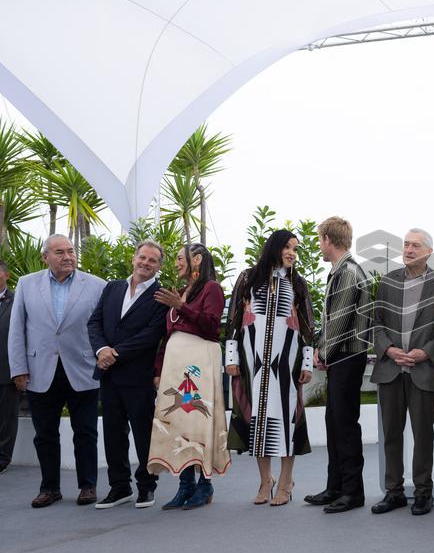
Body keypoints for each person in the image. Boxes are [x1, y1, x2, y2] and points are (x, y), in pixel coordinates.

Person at [8, 234, 106, 508]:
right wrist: (18, 369)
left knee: (85, 431)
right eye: (60, 252)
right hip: (40, 370)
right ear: (45, 257)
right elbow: (17, 330)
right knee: (45, 434)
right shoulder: (27, 285)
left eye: (71, 251)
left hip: (83, 368)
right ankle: (49, 488)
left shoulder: (97, 285)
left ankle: (88, 485)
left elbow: (105, 327)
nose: (67, 257)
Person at [226, 230, 314, 506]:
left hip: (287, 363)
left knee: (287, 419)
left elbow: (308, 325)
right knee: (257, 420)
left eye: (295, 249)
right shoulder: (248, 278)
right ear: (274, 247)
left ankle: (286, 481)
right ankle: (266, 480)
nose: (292, 253)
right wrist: (231, 357)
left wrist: (307, 361)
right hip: (252, 363)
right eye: (287, 247)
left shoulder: (296, 282)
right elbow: (233, 318)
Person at [370, 228, 434, 516]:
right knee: (391, 434)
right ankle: (393, 492)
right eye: (406, 244)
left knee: (422, 434)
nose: (408, 249)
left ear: (429, 251)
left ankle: (422, 492)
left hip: (423, 369)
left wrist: (427, 352)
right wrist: (389, 350)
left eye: (415, 245)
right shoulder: (388, 281)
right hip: (391, 369)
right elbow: (376, 322)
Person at [148, 243, 231, 509]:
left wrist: (180, 307)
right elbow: (167, 336)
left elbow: (210, 325)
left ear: (197, 260)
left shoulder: (212, 289)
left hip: (199, 366)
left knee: (197, 422)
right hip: (175, 368)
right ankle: (185, 487)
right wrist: (159, 371)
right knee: (178, 424)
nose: (176, 263)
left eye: (179, 258)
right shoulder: (182, 292)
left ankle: (204, 486)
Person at [87, 241, 168, 509]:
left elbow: (151, 334)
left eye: (152, 260)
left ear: (159, 266)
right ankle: (119, 487)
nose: (145, 263)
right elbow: (94, 322)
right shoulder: (113, 287)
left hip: (138, 376)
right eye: (142, 257)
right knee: (113, 433)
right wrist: (101, 350)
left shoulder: (160, 295)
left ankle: (146, 487)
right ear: (134, 258)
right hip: (108, 375)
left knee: (143, 434)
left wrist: (115, 353)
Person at [304, 217, 373, 514]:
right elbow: (331, 319)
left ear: (328, 239)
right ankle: (335, 487)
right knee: (334, 423)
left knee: (344, 425)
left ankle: (352, 492)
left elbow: (342, 319)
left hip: (346, 356)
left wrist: (323, 353)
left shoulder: (347, 272)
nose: (319, 245)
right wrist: (322, 348)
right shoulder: (341, 270)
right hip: (340, 356)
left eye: (320, 239)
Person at [0, 261, 21, 475]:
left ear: (7, 275)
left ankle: (3, 458)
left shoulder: (16, 300)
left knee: (6, 418)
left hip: (7, 369)